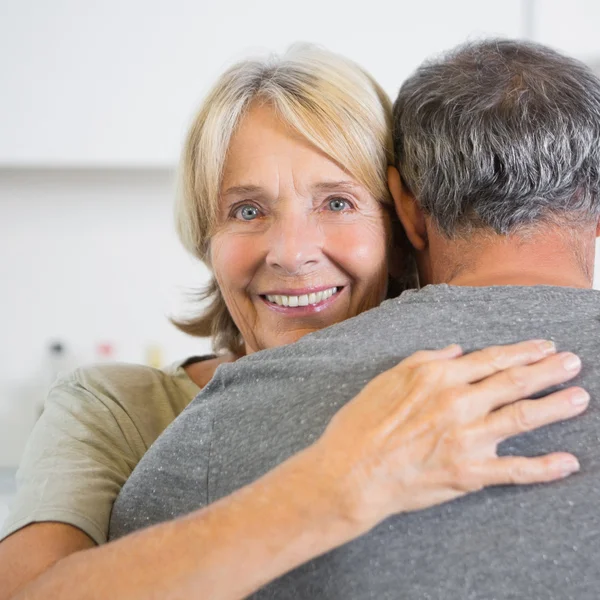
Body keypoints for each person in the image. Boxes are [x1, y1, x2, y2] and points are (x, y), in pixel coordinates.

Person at [0, 43, 587, 599]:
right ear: (206, 239)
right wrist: (335, 484)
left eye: (336, 203)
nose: (290, 252)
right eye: (246, 210)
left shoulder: (455, 385)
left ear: (404, 220)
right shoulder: (118, 408)